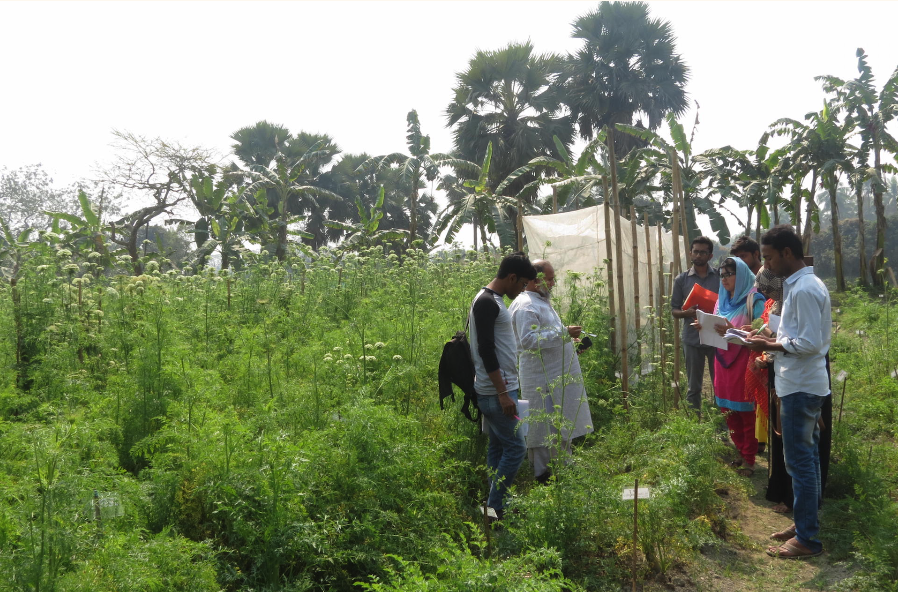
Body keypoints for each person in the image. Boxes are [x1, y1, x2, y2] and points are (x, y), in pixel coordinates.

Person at [746, 225, 831, 559]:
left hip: (801, 386)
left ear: (786, 253)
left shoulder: (806, 289)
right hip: (794, 382)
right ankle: (803, 522)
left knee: (801, 462)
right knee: (801, 460)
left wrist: (767, 344)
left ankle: (808, 539)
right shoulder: (796, 287)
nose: (766, 266)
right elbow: (794, 333)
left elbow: (810, 344)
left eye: (768, 258)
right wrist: (762, 338)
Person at [508, 260, 594, 484]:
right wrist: (563, 333)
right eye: (550, 278)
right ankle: (543, 475)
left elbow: (547, 335)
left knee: (560, 420)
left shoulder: (540, 301)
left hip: (555, 374)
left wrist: (569, 341)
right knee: (542, 425)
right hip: (540, 378)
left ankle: (563, 468)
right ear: (536, 281)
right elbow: (528, 340)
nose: (553, 283)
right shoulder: (526, 305)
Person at [469, 251, 536, 520]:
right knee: (517, 448)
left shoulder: (490, 299)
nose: (521, 290)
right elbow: (486, 350)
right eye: (521, 284)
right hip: (497, 391)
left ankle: (494, 508)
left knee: (497, 447)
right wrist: (502, 393)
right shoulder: (487, 302)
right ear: (511, 277)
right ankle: (494, 510)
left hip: (499, 389)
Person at [696, 257, 766, 475]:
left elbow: (764, 331)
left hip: (744, 362)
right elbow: (717, 327)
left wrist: (734, 330)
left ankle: (749, 459)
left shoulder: (754, 300)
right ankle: (740, 451)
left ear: (742, 275)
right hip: (722, 360)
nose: (724, 279)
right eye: (722, 275)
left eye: (729, 274)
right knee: (727, 409)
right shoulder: (721, 301)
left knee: (745, 410)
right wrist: (704, 326)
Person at [671, 236, 720, 414]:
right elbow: (674, 310)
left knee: (719, 385)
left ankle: (721, 428)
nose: (699, 255)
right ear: (690, 253)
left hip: (716, 336)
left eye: (703, 252)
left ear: (710, 255)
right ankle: (695, 429)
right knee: (694, 387)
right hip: (692, 338)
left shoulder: (720, 277)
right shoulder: (681, 280)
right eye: (696, 251)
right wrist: (687, 313)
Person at [732, 236, 767, 452]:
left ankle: (761, 438)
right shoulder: (740, 279)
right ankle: (757, 437)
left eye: (744, 256)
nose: (741, 262)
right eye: (737, 258)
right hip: (749, 341)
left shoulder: (767, 277)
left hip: (768, 341)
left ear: (757, 254)